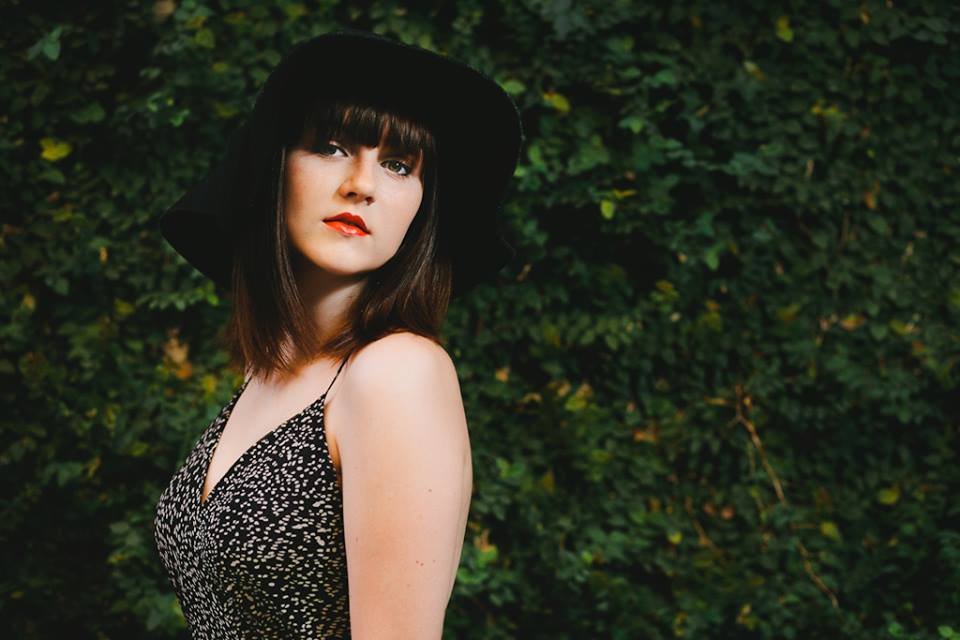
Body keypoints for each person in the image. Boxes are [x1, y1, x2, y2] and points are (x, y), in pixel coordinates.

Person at [151, 28, 523, 640]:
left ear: (422, 207)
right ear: (274, 168)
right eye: (331, 147)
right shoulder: (269, 371)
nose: (363, 184)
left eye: (398, 165)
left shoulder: (397, 373)